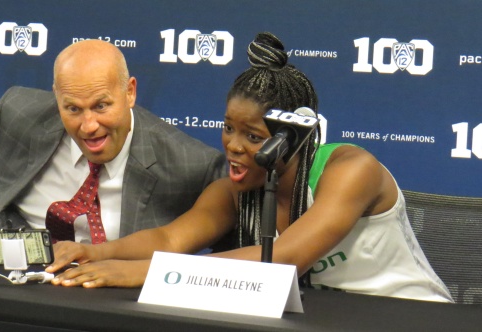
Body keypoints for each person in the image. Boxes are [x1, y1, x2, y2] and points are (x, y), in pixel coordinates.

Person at [45, 32, 453, 303]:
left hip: (413, 315)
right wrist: (95, 252)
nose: (234, 147)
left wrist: (141, 274)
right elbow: (170, 239)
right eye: (228, 129)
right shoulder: (235, 190)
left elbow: (283, 259)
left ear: (289, 138)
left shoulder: (350, 170)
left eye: (254, 137)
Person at [0, 40, 226, 255]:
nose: (88, 125)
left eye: (101, 106)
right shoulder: (17, 114)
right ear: (56, 96)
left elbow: (230, 242)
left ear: (130, 92)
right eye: (72, 108)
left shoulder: (190, 164)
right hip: (17, 286)